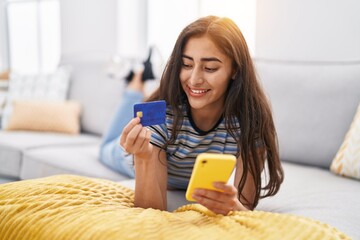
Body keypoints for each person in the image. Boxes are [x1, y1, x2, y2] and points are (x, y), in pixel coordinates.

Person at [100, 15, 284, 215]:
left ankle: (138, 82)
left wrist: (233, 207)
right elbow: (151, 215)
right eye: (187, 65)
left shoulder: (249, 123)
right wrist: (144, 156)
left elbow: (244, 207)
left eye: (210, 68)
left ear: (235, 70)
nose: (194, 79)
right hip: (125, 154)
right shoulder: (164, 118)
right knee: (106, 146)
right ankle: (135, 82)